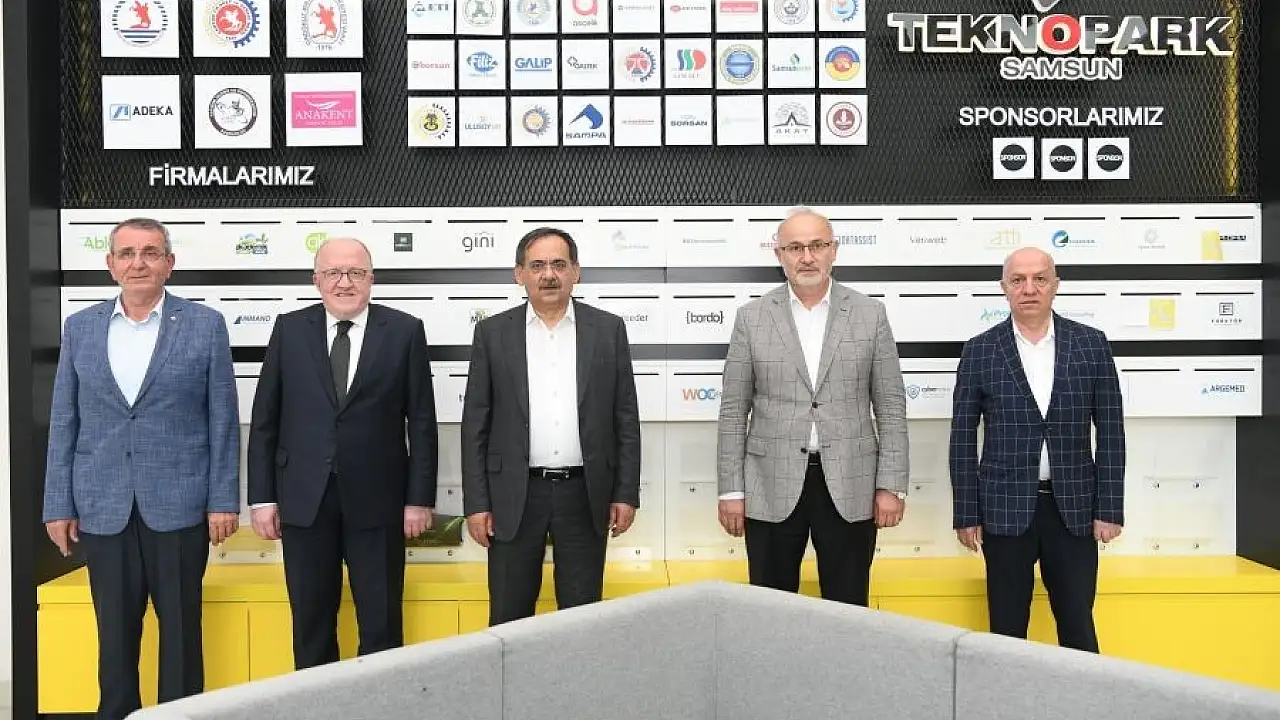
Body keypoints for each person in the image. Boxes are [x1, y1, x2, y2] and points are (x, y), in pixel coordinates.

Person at [42, 217, 240, 720]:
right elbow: (64, 420)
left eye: (150, 252)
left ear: (169, 263)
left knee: (181, 634)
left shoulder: (204, 325)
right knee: (113, 637)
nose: (138, 263)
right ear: (110, 264)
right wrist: (58, 504)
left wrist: (222, 500)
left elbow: (222, 419)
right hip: (103, 506)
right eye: (127, 253)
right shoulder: (81, 328)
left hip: (179, 505)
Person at [246, 237, 438, 669]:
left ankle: (379, 702)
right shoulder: (289, 330)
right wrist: (262, 498)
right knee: (311, 623)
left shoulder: (404, 331)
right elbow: (265, 420)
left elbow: (422, 423)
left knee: (381, 623)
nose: (344, 282)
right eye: (333, 273)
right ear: (316, 280)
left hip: (379, 502)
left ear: (371, 279)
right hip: (304, 502)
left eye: (355, 273)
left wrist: (418, 499)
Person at [716, 207, 909, 607]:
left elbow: (890, 404)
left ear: (833, 250)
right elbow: (734, 410)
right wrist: (731, 490)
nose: (807, 257)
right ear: (779, 254)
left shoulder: (870, 314)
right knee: (770, 608)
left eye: (817, 245)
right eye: (795, 248)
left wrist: (890, 484)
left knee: (847, 609)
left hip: (851, 483)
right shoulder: (751, 318)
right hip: (769, 484)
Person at [461, 227, 641, 625]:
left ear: (576, 271)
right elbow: (475, 424)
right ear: (519, 274)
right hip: (513, 496)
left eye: (559, 264)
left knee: (581, 620)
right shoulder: (492, 333)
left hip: (585, 494)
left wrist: (625, 493)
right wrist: (477, 503)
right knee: (509, 618)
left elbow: (625, 417)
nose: (548, 275)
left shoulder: (608, 330)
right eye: (537, 265)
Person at [949, 246, 1125, 653]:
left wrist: (1109, 508)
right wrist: (967, 514)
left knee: (1077, 624)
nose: (1029, 289)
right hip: (1003, 509)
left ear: (1055, 285)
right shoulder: (980, 350)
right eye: (1018, 280)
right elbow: (962, 437)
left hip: (1074, 511)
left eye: (1039, 279)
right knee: (1006, 629)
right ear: (1004, 287)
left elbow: (1111, 431)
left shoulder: (1091, 344)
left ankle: (1084, 693)